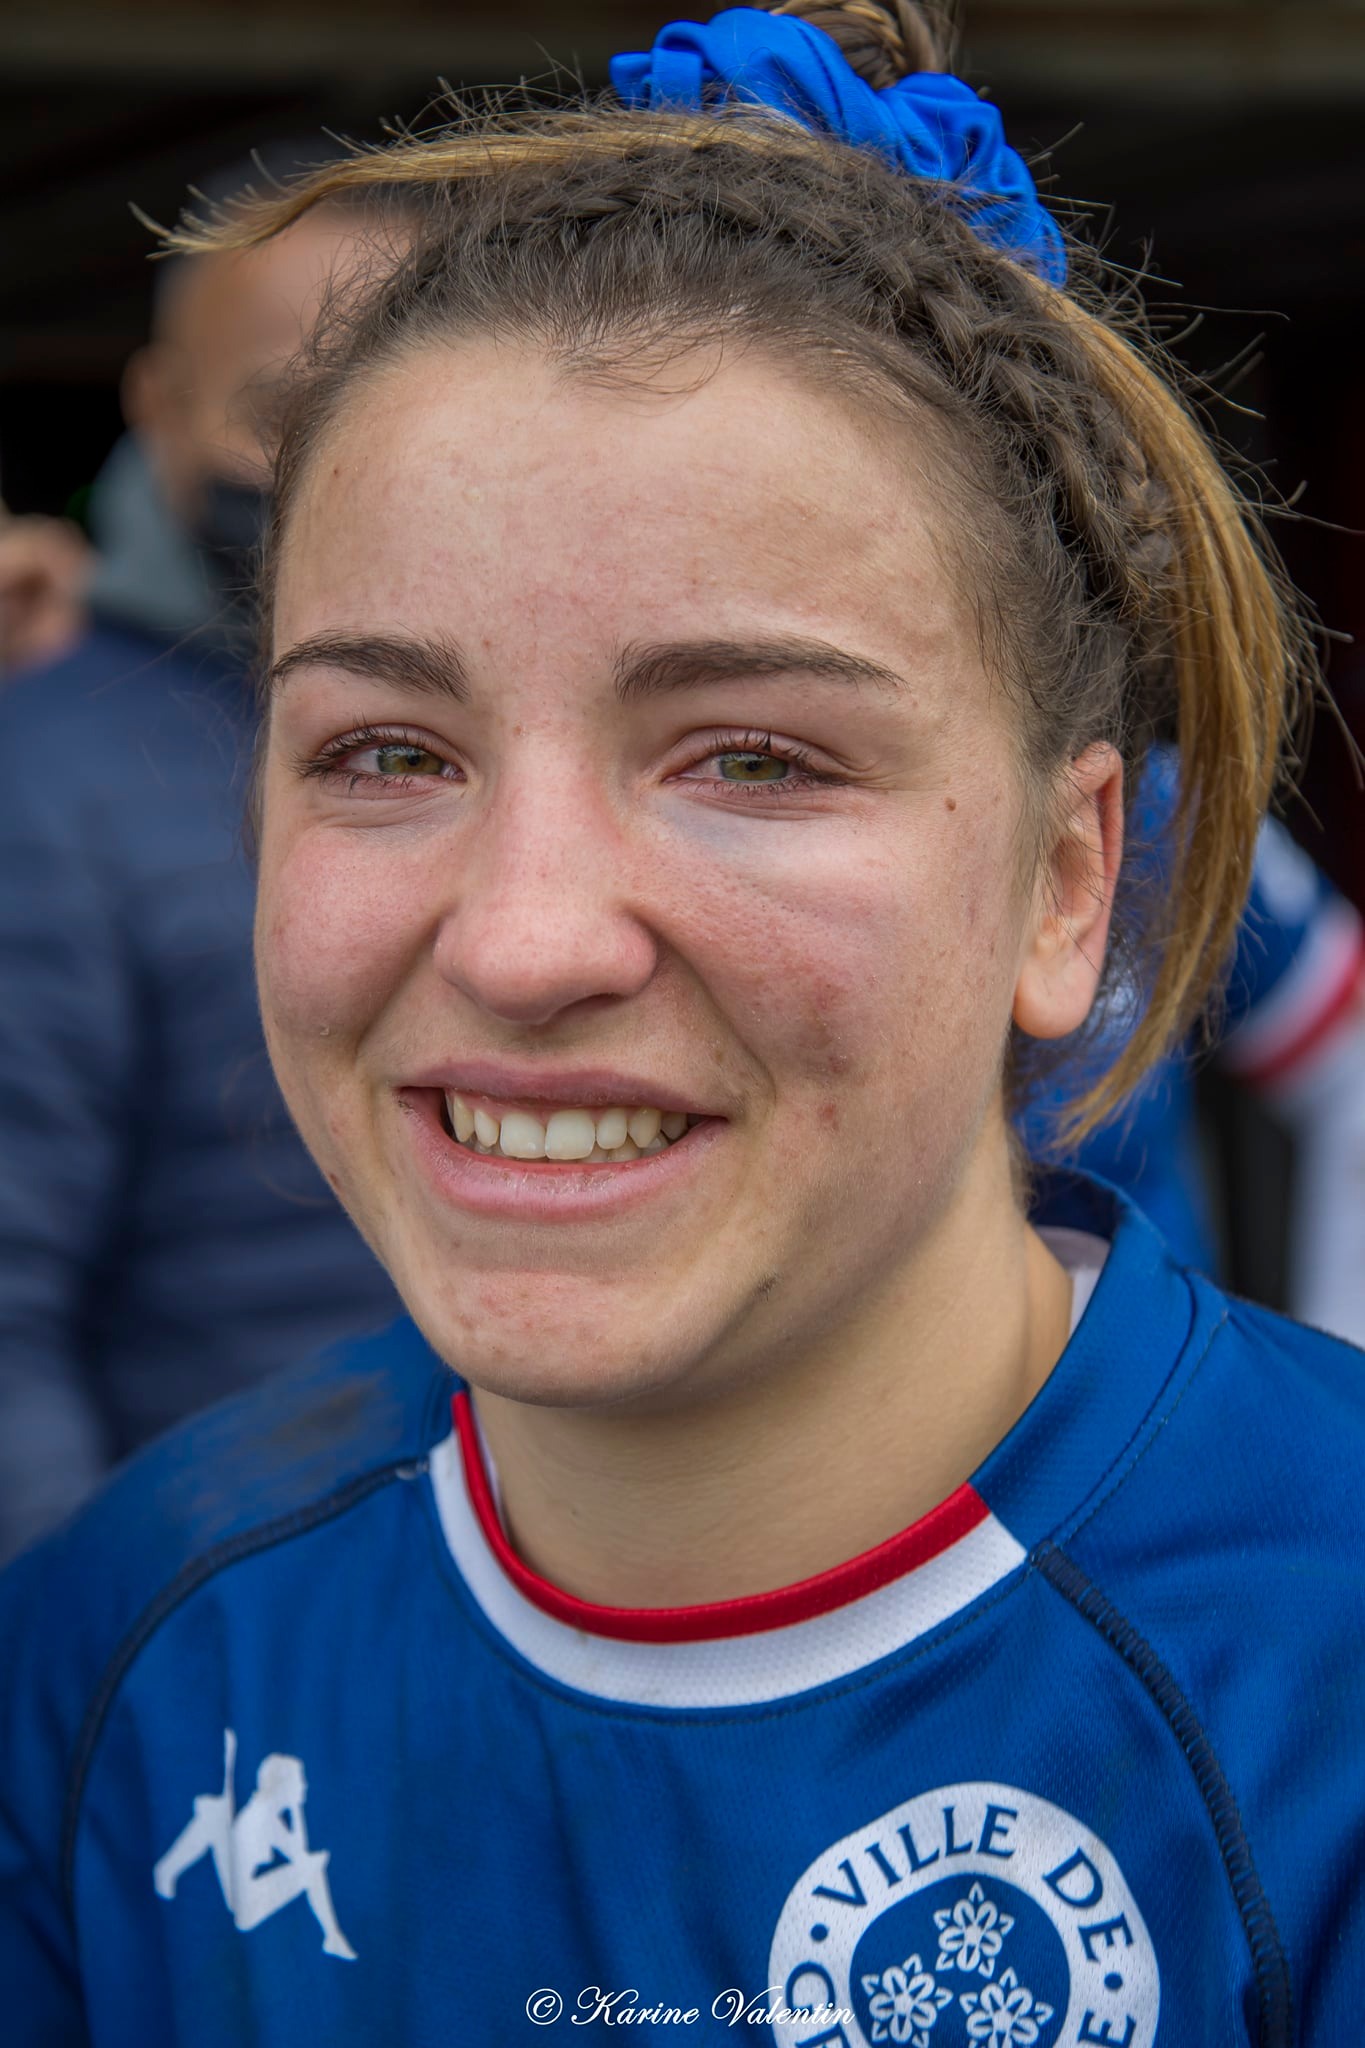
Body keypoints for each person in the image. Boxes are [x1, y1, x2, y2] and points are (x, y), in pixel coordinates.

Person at [2, 2, 1362, 2038]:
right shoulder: (122, 1648)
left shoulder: (1320, 1668)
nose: (527, 936)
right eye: (383, 750)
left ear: (1067, 878)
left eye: (751, 756)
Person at [0, 185, 398, 1561]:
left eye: (385, 405)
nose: (330, 465)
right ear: (157, 403)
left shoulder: (531, 756)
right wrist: (83, 1681)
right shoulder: (45, 770)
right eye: (280, 413)